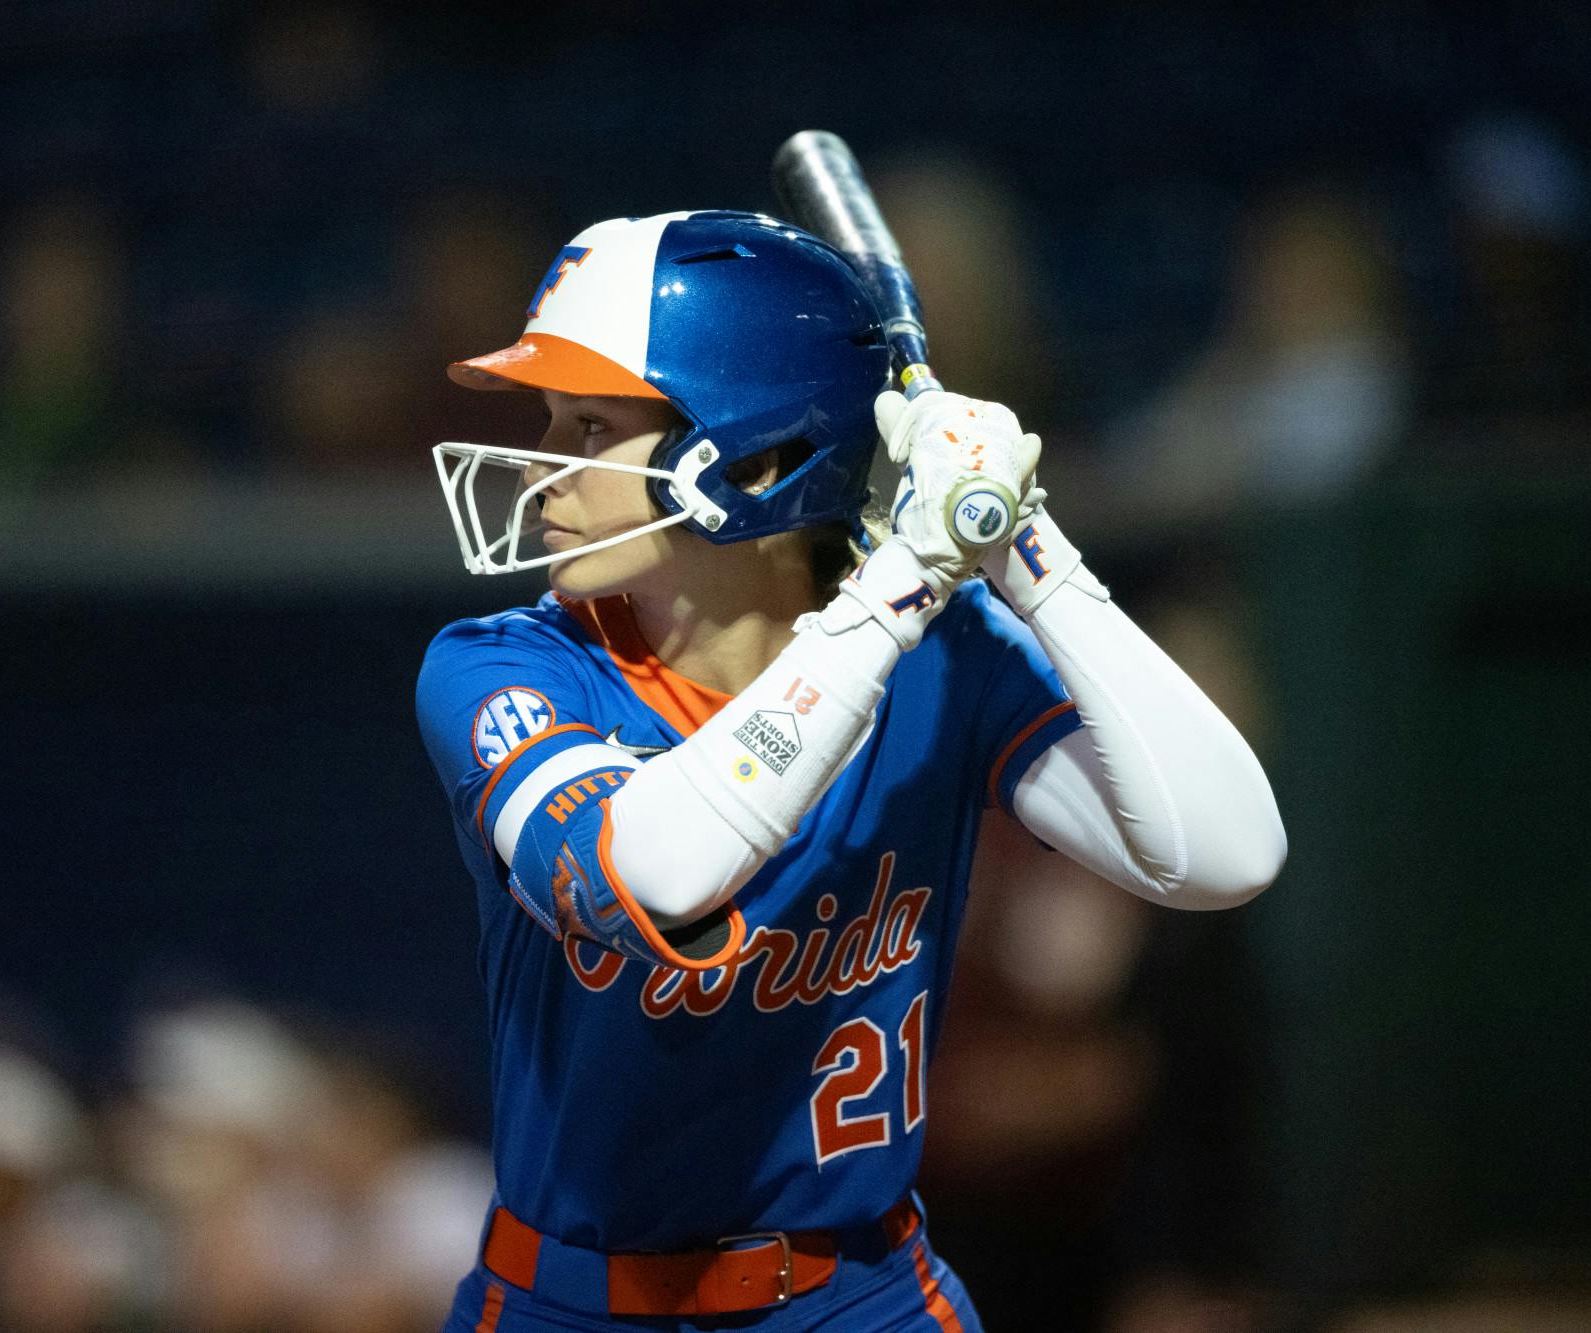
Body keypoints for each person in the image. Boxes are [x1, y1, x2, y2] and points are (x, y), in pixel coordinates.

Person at [415, 210, 1286, 1331]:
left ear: (757, 457)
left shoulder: (943, 651)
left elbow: (1225, 851)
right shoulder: (499, 666)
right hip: (573, 1301)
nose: (546, 475)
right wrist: (899, 586)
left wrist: (1028, 549)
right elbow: (654, 874)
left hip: (856, 1297)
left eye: (588, 427)